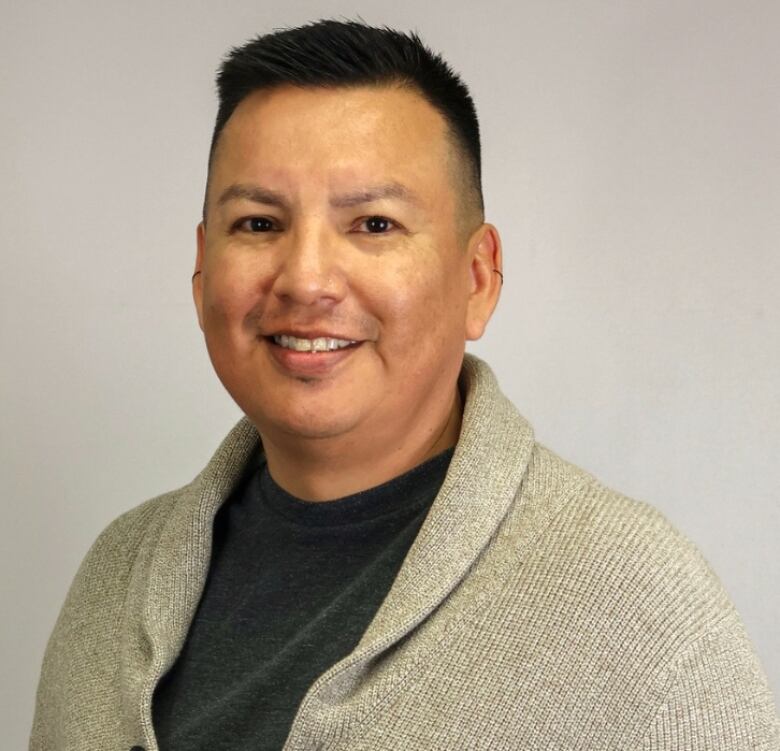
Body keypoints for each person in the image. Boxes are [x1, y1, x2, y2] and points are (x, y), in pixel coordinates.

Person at [29, 19, 779, 751]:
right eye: (259, 224)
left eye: (375, 225)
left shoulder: (637, 607)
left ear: (478, 278)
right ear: (200, 271)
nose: (307, 278)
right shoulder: (115, 577)